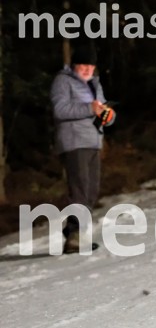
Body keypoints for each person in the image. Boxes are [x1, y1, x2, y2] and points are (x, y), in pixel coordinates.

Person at [50, 44, 115, 254]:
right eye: (83, 65)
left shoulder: (94, 84)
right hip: (74, 141)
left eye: (90, 66)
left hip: (93, 140)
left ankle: (73, 230)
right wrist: (89, 108)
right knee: (80, 189)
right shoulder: (63, 81)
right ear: (74, 65)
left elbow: (103, 108)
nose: (87, 70)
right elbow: (59, 109)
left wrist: (109, 116)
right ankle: (76, 238)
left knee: (91, 190)